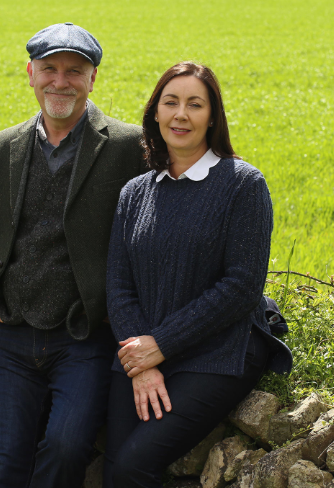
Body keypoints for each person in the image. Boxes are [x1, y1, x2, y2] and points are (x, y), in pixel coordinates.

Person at [0, 22, 144, 487]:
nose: (61, 82)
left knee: (66, 448)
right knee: (0, 466)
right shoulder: (2, 147)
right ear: (31, 73)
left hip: (84, 337)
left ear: (93, 79)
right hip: (11, 334)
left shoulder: (128, 146)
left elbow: (150, 231)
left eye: (74, 71)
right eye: (50, 69)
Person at [103, 62, 294, 488]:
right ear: (155, 113)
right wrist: (143, 361)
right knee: (114, 470)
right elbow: (118, 286)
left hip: (219, 351)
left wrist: (162, 345)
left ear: (212, 116)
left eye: (195, 104)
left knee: (134, 466)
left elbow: (241, 287)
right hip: (142, 353)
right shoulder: (134, 193)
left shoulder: (243, 185)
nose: (181, 115)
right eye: (170, 102)